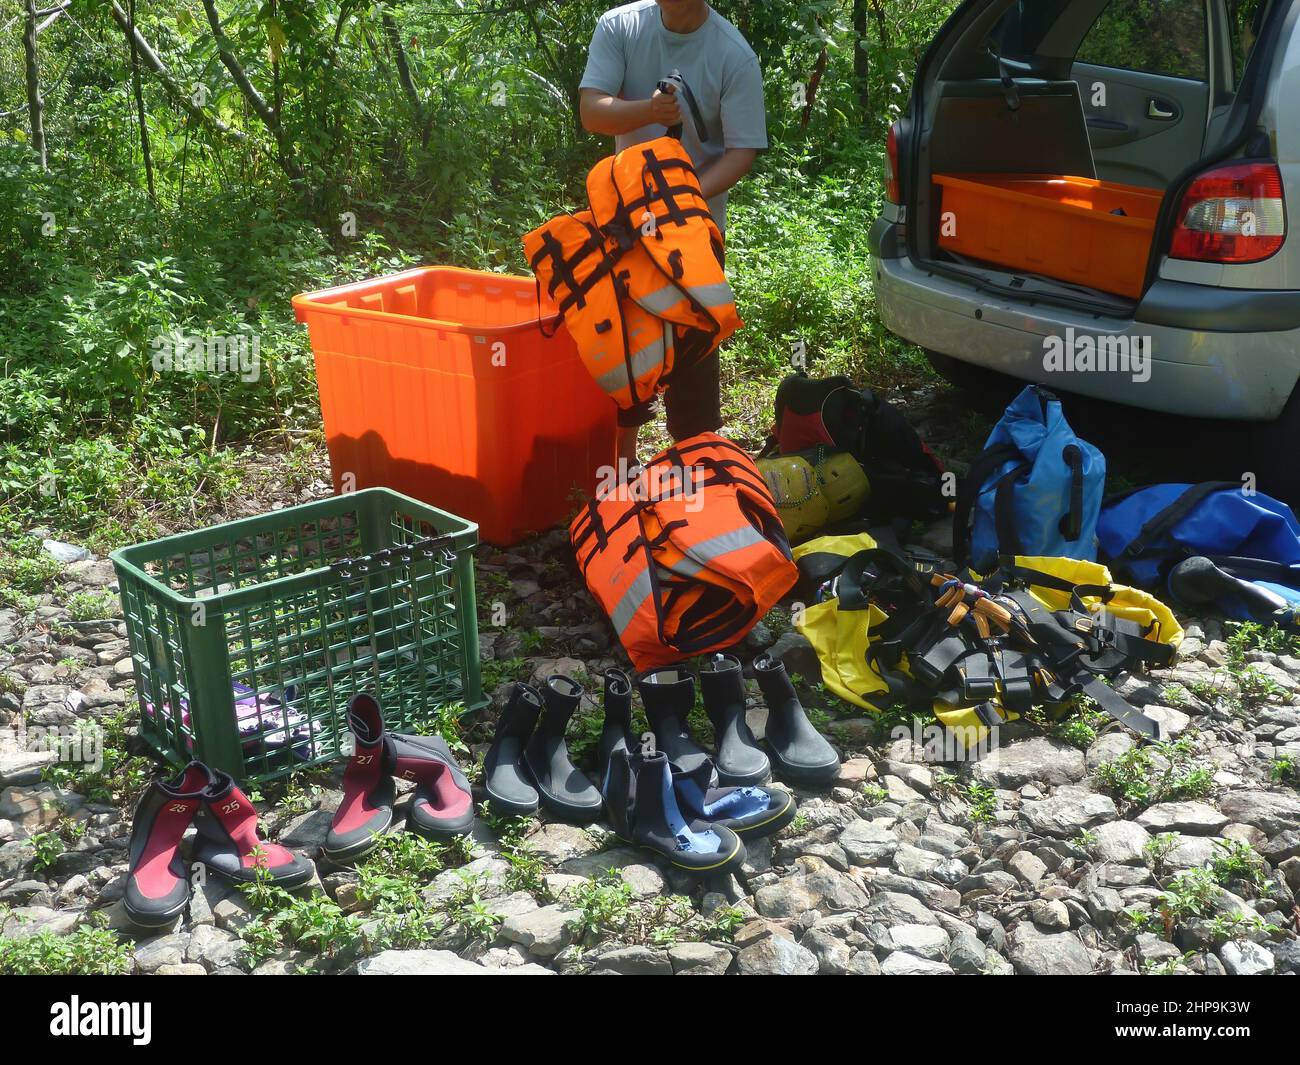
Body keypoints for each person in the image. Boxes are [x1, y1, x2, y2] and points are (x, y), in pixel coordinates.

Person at [579, 0, 767, 467]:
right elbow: (592, 112)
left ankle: (699, 471)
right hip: (623, 226)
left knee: (693, 357)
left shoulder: (733, 54)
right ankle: (618, 473)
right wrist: (650, 109)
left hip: (693, 230)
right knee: (620, 345)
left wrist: (680, 197)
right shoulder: (620, 26)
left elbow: (742, 151)